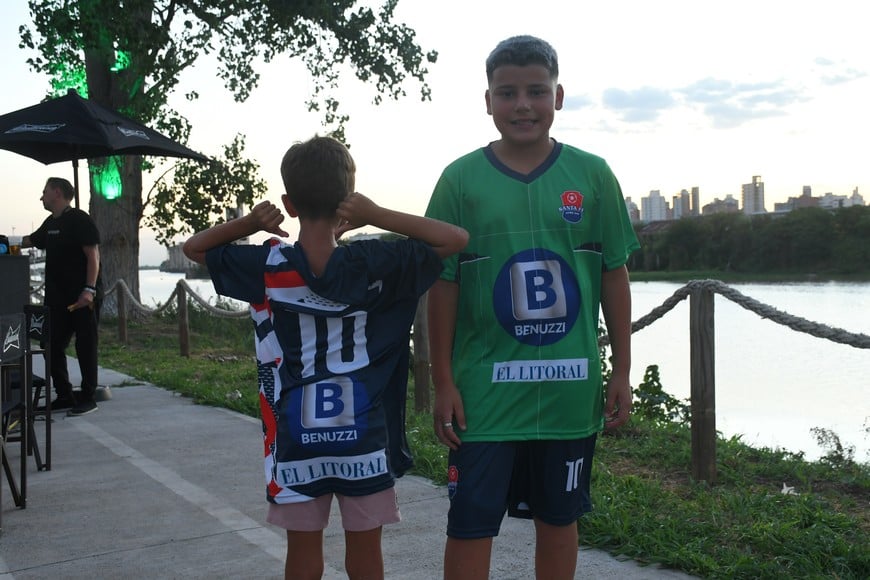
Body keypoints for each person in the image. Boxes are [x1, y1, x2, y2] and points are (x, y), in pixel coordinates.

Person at [183, 135, 468, 580]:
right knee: (366, 553)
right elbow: (455, 239)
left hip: (296, 432)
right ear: (347, 204)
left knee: (302, 553)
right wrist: (375, 214)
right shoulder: (375, 262)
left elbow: (195, 249)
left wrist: (251, 222)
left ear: (289, 204)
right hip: (364, 434)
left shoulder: (270, 265)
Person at [424, 35, 641, 579]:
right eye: (508, 93)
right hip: (484, 394)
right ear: (488, 101)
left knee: (559, 519)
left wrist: (621, 369)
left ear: (558, 96)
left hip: (568, 390)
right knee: (470, 523)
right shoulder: (459, 180)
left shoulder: (593, 175)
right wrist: (443, 381)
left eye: (537, 91)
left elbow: (613, 273)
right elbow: (443, 285)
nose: (523, 105)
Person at [22, 177, 101, 417]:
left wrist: (89, 290)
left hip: (82, 296)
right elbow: (30, 241)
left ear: (57, 192)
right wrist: (5, 241)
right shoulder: (51, 223)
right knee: (50, 343)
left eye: (44, 191)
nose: (41, 196)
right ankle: (65, 395)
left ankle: (88, 397)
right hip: (57, 299)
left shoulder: (79, 219)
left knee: (85, 345)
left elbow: (93, 256)